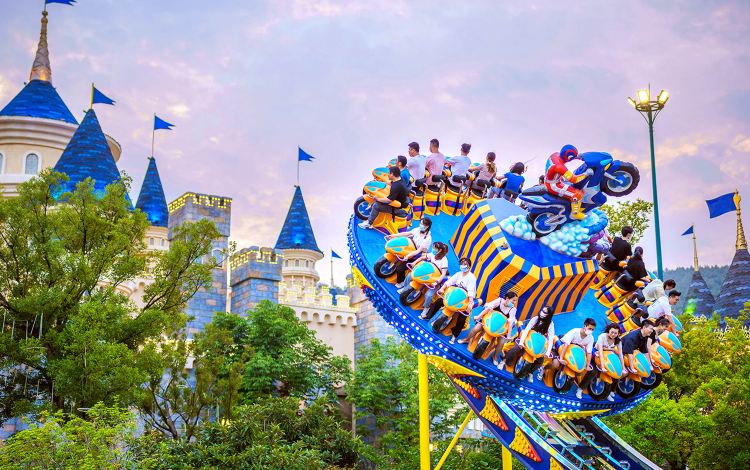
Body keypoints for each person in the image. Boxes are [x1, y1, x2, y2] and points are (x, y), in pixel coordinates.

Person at [422, 257, 477, 344]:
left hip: (465, 299)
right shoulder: (459, 274)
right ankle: (428, 315)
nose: (463, 265)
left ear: (469, 266)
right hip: (455, 295)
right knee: (439, 301)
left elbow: (471, 291)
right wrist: (442, 288)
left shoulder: (471, 277)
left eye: (465, 264)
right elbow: (449, 282)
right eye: (461, 264)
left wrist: (470, 303)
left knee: (462, 318)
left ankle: (454, 336)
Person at [458, 291, 518, 364]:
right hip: (489, 321)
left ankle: (495, 356)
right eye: (513, 300)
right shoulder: (499, 301)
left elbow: (510, 323)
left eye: (515, 301)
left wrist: (508, 336)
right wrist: (478, 317)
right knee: (476, 328)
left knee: (501, 342)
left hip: (501, 328)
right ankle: (466, 339)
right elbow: (488, 308)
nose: (514, 302)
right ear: (507, 298)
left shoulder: (513, 309)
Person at [503, 306, 556, 383]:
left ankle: (530, 372)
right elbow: (526, 330)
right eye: (542, 310)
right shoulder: (535, 319)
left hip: (538, 343)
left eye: (545, 312)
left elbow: (551, 338)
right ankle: (508, 361)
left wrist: (547, 352)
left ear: (549, 315)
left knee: (540, 360)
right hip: (529, 339)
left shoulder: (550, 324)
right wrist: (521, 342)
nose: (542, 313)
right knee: (515, 349)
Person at [548, 318, 596, 399]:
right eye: (589, 328)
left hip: (574, 351)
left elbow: (589, 352)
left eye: (592, 329)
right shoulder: (575, 331)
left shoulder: (590, 338)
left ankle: (576, 382)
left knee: (580, 371)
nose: (591, 331)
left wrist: (587, 365)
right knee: (556, 364)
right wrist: (561, 358)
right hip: (563, 346)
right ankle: (543, 369)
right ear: (584, 326)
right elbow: (565, 345)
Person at [544, 144, 592, 220]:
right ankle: (575, 214)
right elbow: (574, 179)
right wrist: (586, 174)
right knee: (577, 195)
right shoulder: (559, 166)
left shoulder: (555, 154)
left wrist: (577, 157)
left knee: (570, 186)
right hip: (553, 185)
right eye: (571, 158)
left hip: (553, 179)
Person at [397, 242, 450, 310]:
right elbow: (422, 258)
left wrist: (436, 282)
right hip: (427, 274)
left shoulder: (444, 261)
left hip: (435, 278)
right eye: (433, 247)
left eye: (434, 248)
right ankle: (404, 288)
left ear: (440, 250)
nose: (433, 249)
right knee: (410, 275)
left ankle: (426, 307)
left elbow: (443, 274)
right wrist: (414, 263)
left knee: (428, 295)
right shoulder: (433, 254)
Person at [388, 218, 433, 284]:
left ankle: (401, 282)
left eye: (422, 224)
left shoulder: (428, 239)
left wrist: (408, 256)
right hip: (411, 248)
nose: (420, 225)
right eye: (420, 223)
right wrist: (394, 235)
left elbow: (418, 251)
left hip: (417, 255)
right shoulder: (418, 229)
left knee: (400, 269)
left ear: (427, 226)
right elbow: (407, 233)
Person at [588, 323, 625, 401]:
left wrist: (623, 368)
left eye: (615, 333)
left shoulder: (618, 340)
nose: (613, 334)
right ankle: (581, 388)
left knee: (617, 371)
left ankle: (610, 391)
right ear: (608, 331)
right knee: (593, 370)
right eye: (612, 332)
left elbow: (621, 355)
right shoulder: (602, 336)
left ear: (618, 333)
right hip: (597, 352)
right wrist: (602, 366)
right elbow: (600, 352)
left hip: (607, 354)